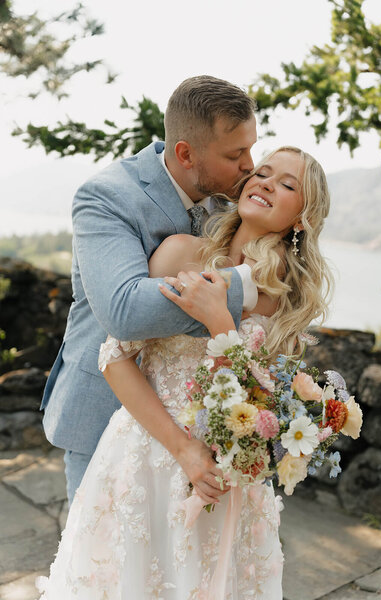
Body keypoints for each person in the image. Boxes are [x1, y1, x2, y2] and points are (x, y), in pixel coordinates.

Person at [36, 147, 333, 599]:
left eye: (288, 184)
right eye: (263, 172)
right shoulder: (180, 254)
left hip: (223, 478)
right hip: (145, 457)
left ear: (302, 218)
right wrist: (184, 450)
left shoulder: (290, 302)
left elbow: (257, 406)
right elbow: (115, 359)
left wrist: (220, 325)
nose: (266, 182)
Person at [40, 75, 259, 504]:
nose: (250, 165)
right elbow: (124, 311)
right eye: (236, 154)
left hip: (193, 421)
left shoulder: (233, 200)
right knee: (103, 565)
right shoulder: (107, 196)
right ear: (185, 153)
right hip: (105, 414)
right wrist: (250, 285)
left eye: (251, 148)